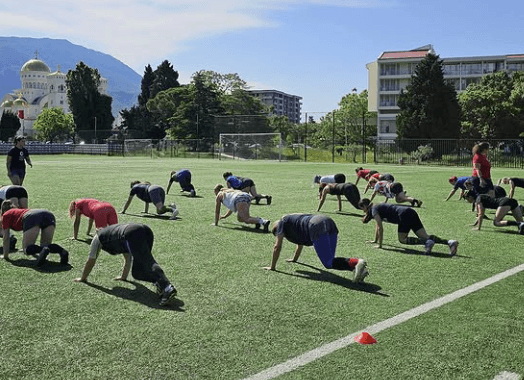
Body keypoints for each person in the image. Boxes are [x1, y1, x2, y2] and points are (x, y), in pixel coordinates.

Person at [73, 223, 177, 306]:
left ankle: (167, 287)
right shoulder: (115, 236)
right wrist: (123, 277)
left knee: (148, 262)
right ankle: (159, 283)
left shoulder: (98, 239)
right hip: (144, 230)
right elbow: (128, 259)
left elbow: (91, 261)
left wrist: (83, 278)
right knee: (137, 273)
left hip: (132, 233)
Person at [263, 213, 368, 283]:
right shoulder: (293, 225)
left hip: (316, 225)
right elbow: (299, 244)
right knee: (331, 259)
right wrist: (294, 259)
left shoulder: (282, 222)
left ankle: (356, 262)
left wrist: (272, 267)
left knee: (328, 263)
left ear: (278, 230)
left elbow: (277, 246)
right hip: (328, 221)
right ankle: (357, 269)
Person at [359, 198, 458, 256]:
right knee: (424, 236)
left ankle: (427, 243)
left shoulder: (374, 210)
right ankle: (450, 242)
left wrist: (380, 245)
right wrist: (375, 240)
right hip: (410, 211)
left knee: (402, 239)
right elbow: (377, 226)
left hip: (403, 215)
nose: (363, 211)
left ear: (365, 206)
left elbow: (380, 227)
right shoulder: (375, 207)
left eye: (362, 208)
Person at [0, 200, 68, 266]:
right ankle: (62, 251)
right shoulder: (19, 211)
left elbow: (6, 237)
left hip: (32, 216)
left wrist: (5, 256)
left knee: (26, 249)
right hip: (48, 214)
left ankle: (42, 250)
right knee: (46, 245)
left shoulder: (5, 215)